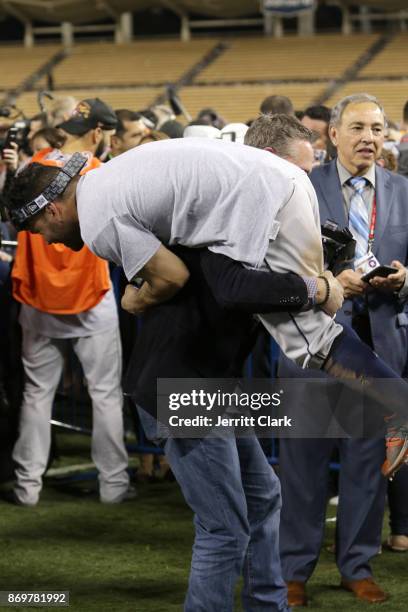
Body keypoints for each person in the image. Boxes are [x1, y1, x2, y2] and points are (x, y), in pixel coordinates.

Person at [4, 136, 408, 470]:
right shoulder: (105, 181)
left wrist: (136, 299)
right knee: (263, 304)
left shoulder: (97, 221)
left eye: (40, 230)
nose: (49, 240)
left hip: (262, 199)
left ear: (53, 210)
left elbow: (171, 277)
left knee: (308, 337)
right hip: (268, 188)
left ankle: (399, 404)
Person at [9, 97, 132, 506]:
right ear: (98, 132)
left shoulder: (35, 167)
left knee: (36, 395)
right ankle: (113, 486)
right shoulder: (98, 174)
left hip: (38, 298)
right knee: (105, 394)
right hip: (90, 296)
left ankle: (28, 488)